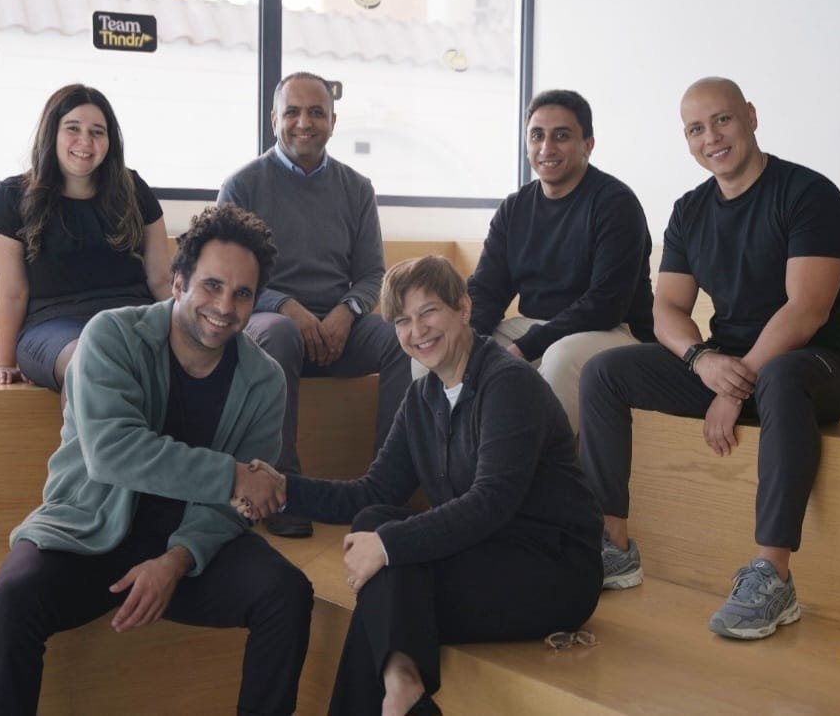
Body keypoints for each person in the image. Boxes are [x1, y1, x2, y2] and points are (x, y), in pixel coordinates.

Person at [0, 205, 314, 715]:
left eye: (242, 294)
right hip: (88, 530)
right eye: (211, 285)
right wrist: (230, 475)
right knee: (12, 598)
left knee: (286, 593)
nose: (225, 307)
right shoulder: (110, 336)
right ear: (178, 282)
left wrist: (176, 561)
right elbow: (113, 451)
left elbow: (239, 505)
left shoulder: (264, 379)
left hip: (188, 546)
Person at [237, 255, 604, 715]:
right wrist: (283, 490)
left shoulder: (509, 384)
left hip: (552, 570)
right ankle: (402, 689)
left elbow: (490, 503)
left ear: (463, 309)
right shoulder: (422, 397)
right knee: (376, 521)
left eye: (429, 311)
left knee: (385, 579)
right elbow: (373, 492)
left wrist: (388, 545)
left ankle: (403, 690)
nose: (417, 331)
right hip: (485, 552)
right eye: (402, 321)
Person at [578, 77, 840, 640]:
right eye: (695, 129)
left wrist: (734, 386)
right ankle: (613, 547)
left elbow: (806, 310)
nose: (711, 137)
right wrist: (702, 360)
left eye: (723, 120)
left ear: (750, 116)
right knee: (605, 371)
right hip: (729, 365)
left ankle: (773, 575)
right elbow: (667, 309)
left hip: (816, 368)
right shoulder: (689, 210)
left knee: (781, 374)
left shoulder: (809, 193)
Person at [218, 71, 410, 538]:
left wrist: (348, 310)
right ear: (274, 120)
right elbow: (227, 278)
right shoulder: (242, 185)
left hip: (340, 327)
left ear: (333, 122)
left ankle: (387, 489)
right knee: (281, 333)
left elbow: (372, 274)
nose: (304, 122)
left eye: (316, 113)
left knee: (404, 339)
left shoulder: (357, 187)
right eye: (293, 112)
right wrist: (286, 306)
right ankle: (282, 489)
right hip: (268, 325)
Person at [466, 89, 654, 433]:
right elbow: (487, 291)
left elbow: (606, 305)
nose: (546, 148)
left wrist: (526, 346)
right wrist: (466, 340)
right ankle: (463, 463)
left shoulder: (615, 203)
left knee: (561, 357)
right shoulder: (514, 208)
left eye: (561, 136)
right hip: (537, 326)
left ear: (588, 145)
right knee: (443, 350)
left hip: (613, 331)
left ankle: (552, 465)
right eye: (537, 135)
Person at [0, 84, 172, 401]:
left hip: (134, 316)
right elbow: (13, 292)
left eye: (97, 132)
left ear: (110, 142)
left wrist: (190, 331)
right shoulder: (11, 198)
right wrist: (5, 362)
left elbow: (161, 278)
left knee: (178, 361)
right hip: (53, 327)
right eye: (72, 128)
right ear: (52, 133)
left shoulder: (135, 190)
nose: (85, 141)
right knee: (94, 361)